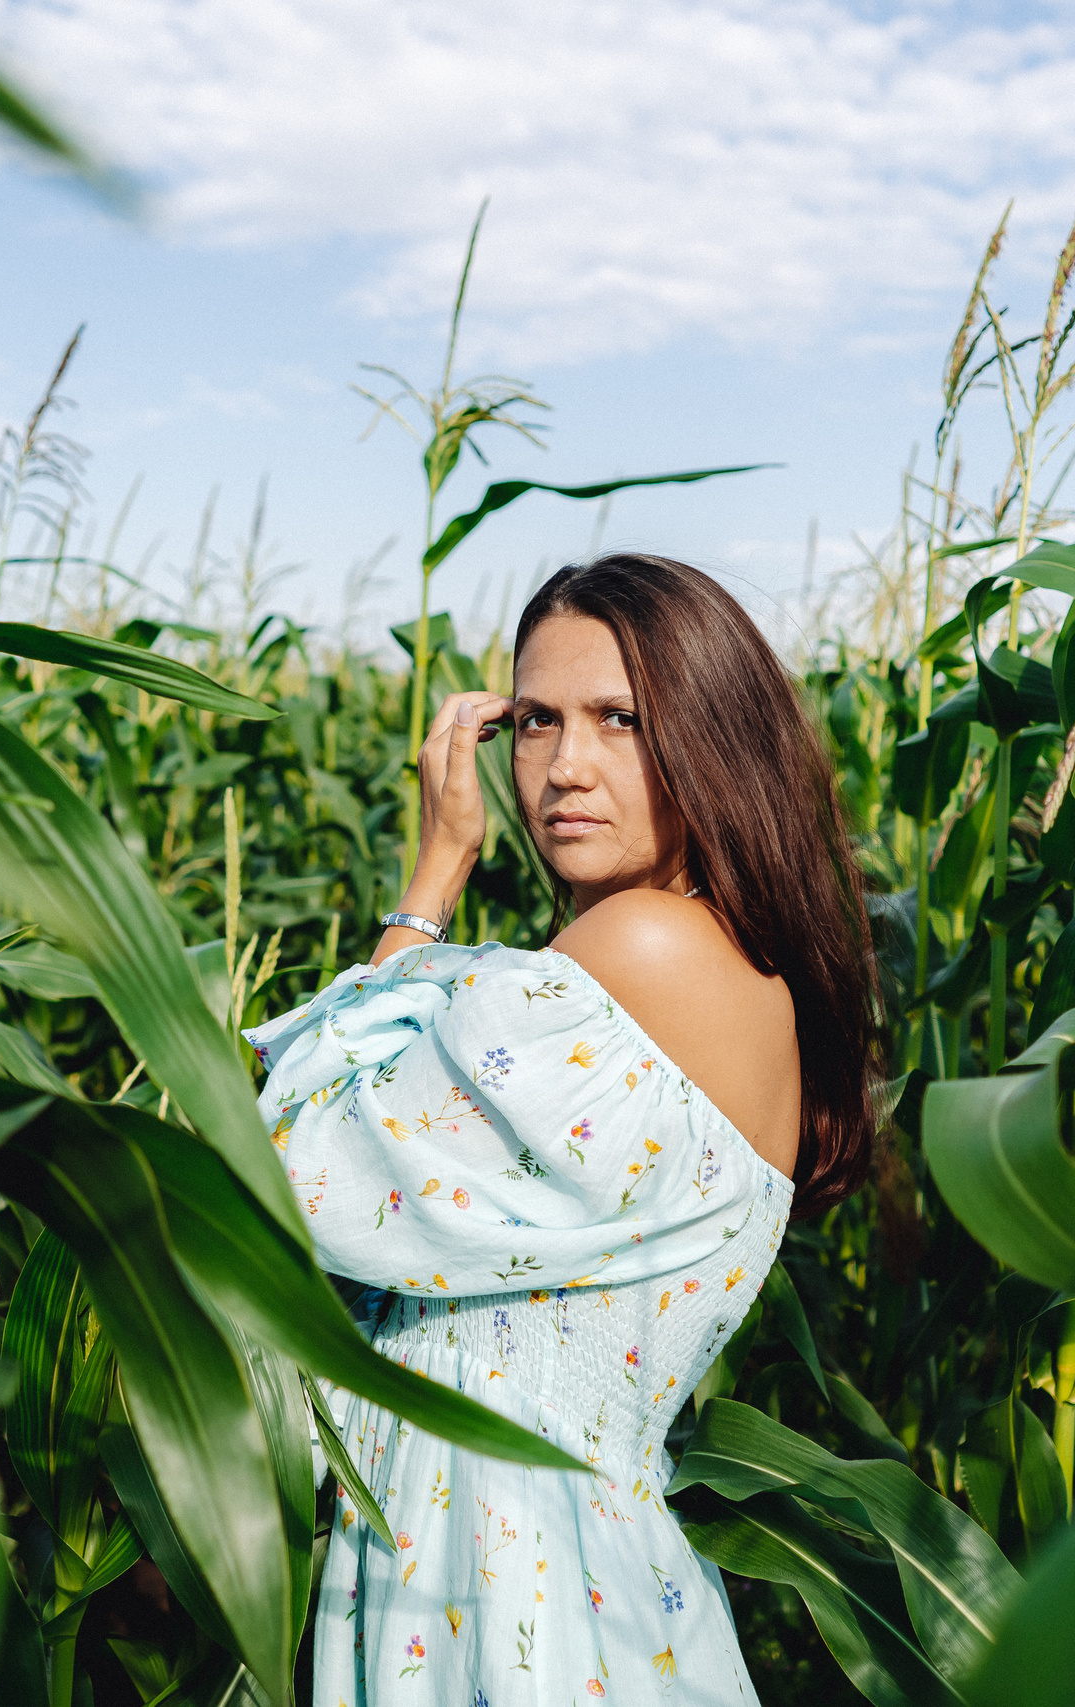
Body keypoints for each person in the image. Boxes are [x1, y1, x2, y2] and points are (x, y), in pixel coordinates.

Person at [244, 553, 879, 1705]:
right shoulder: (727, 966)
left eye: (619, 719)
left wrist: (432, 875)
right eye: (535, 722)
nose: (563, 768)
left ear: (711, 735)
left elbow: (292, 1168)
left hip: (504, 1586)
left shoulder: (645, 949)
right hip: (548, 1573)